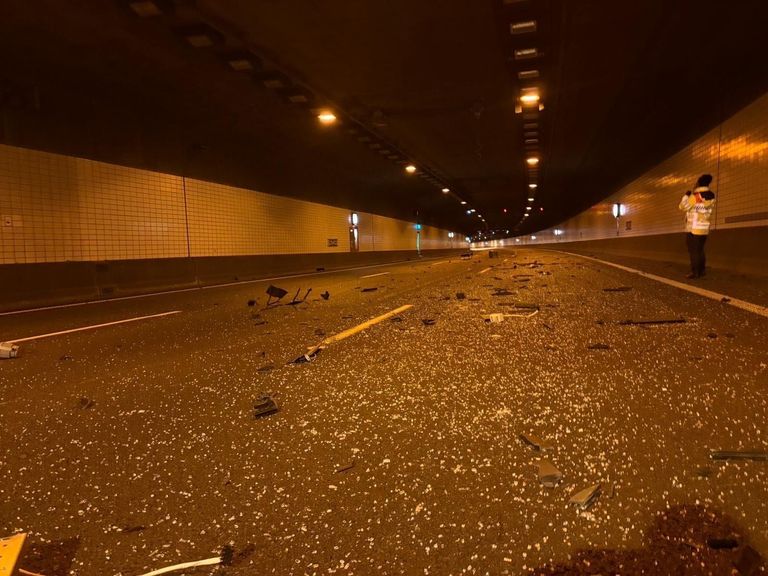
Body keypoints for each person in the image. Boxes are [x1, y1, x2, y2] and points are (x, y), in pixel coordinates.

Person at [678, 174, 715, 278]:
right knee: (700, 250)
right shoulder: (711, 196)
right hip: (704, 227)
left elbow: (682, 207)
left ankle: (695, 272)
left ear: (699, 183)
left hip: (693, 228)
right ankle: (702, 271)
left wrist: (686, 196)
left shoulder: (696, 196)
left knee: (694, 251)